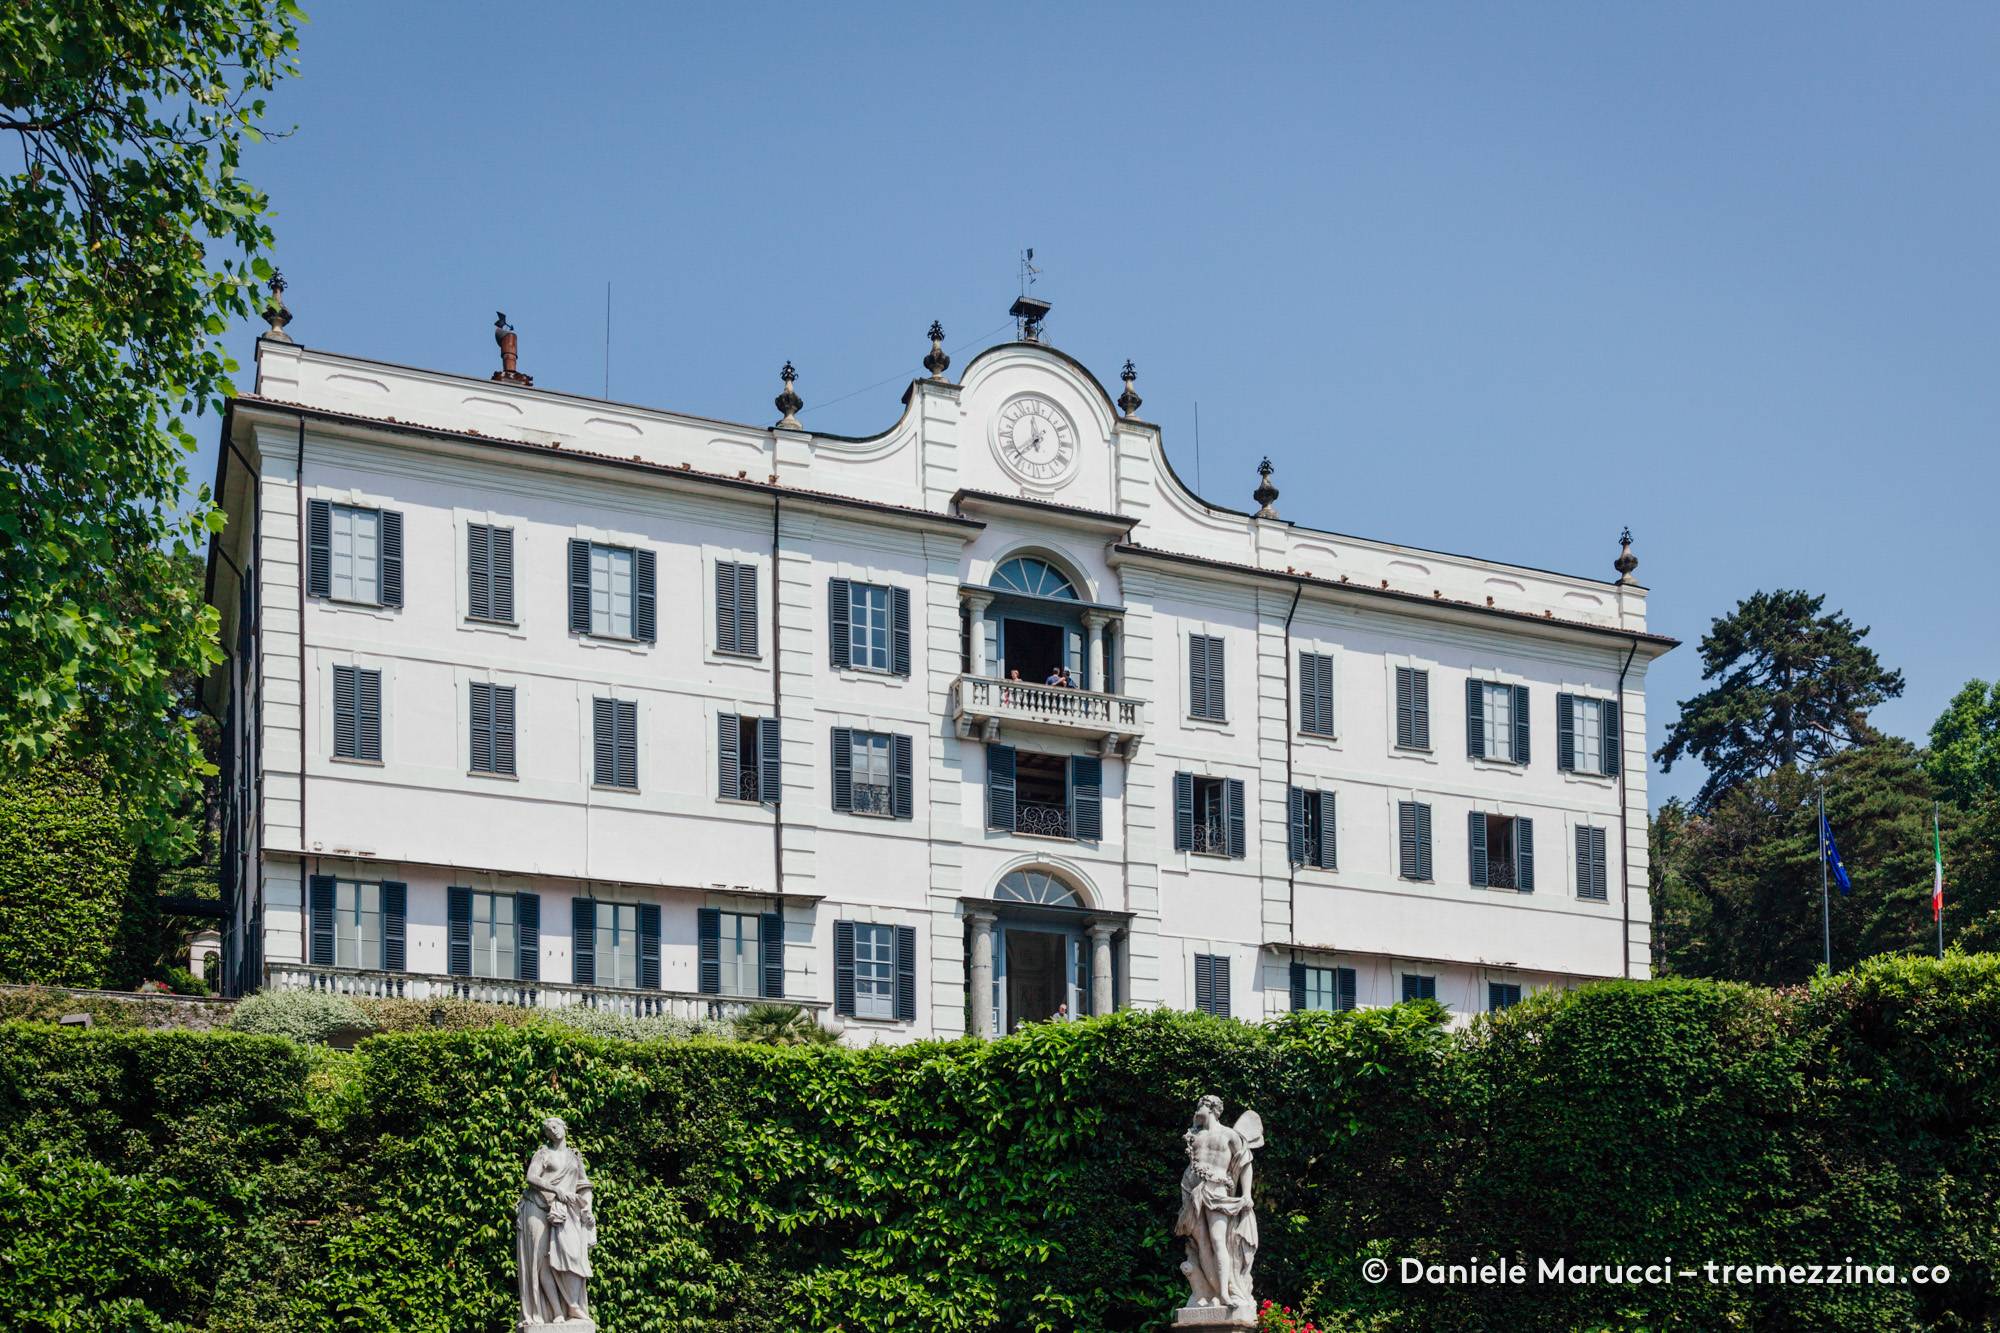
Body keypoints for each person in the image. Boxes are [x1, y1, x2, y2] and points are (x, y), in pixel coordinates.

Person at [1175, 1095, 1259, 1312]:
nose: (1196, 1109)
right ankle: (1214, 1292)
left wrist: (1247, 1194)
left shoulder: (1229, 1134)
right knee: (1202, 1242)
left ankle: (1225, 1291)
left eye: (1199, 1105)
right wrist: (1194, 1126)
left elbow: (1245, 1161)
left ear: (1210, 1108)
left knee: (1218, 1239)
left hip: (1217, 1189)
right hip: (1192, 1190)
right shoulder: (1194, 1135)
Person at [517, 1115, 597, 1325]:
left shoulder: (574, 1157)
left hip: (564, 1213)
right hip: (537, 1207)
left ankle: (572, 1307)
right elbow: (531, 1178)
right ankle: (554, 1312)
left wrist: (587, 1208)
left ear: (564, 1127)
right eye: (548, 1128)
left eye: (555, 1125)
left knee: (569, 1258)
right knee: (541, 1260)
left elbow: (584, 1185)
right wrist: (556, 1189)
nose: (552, 1129)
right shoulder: (543, 1154)